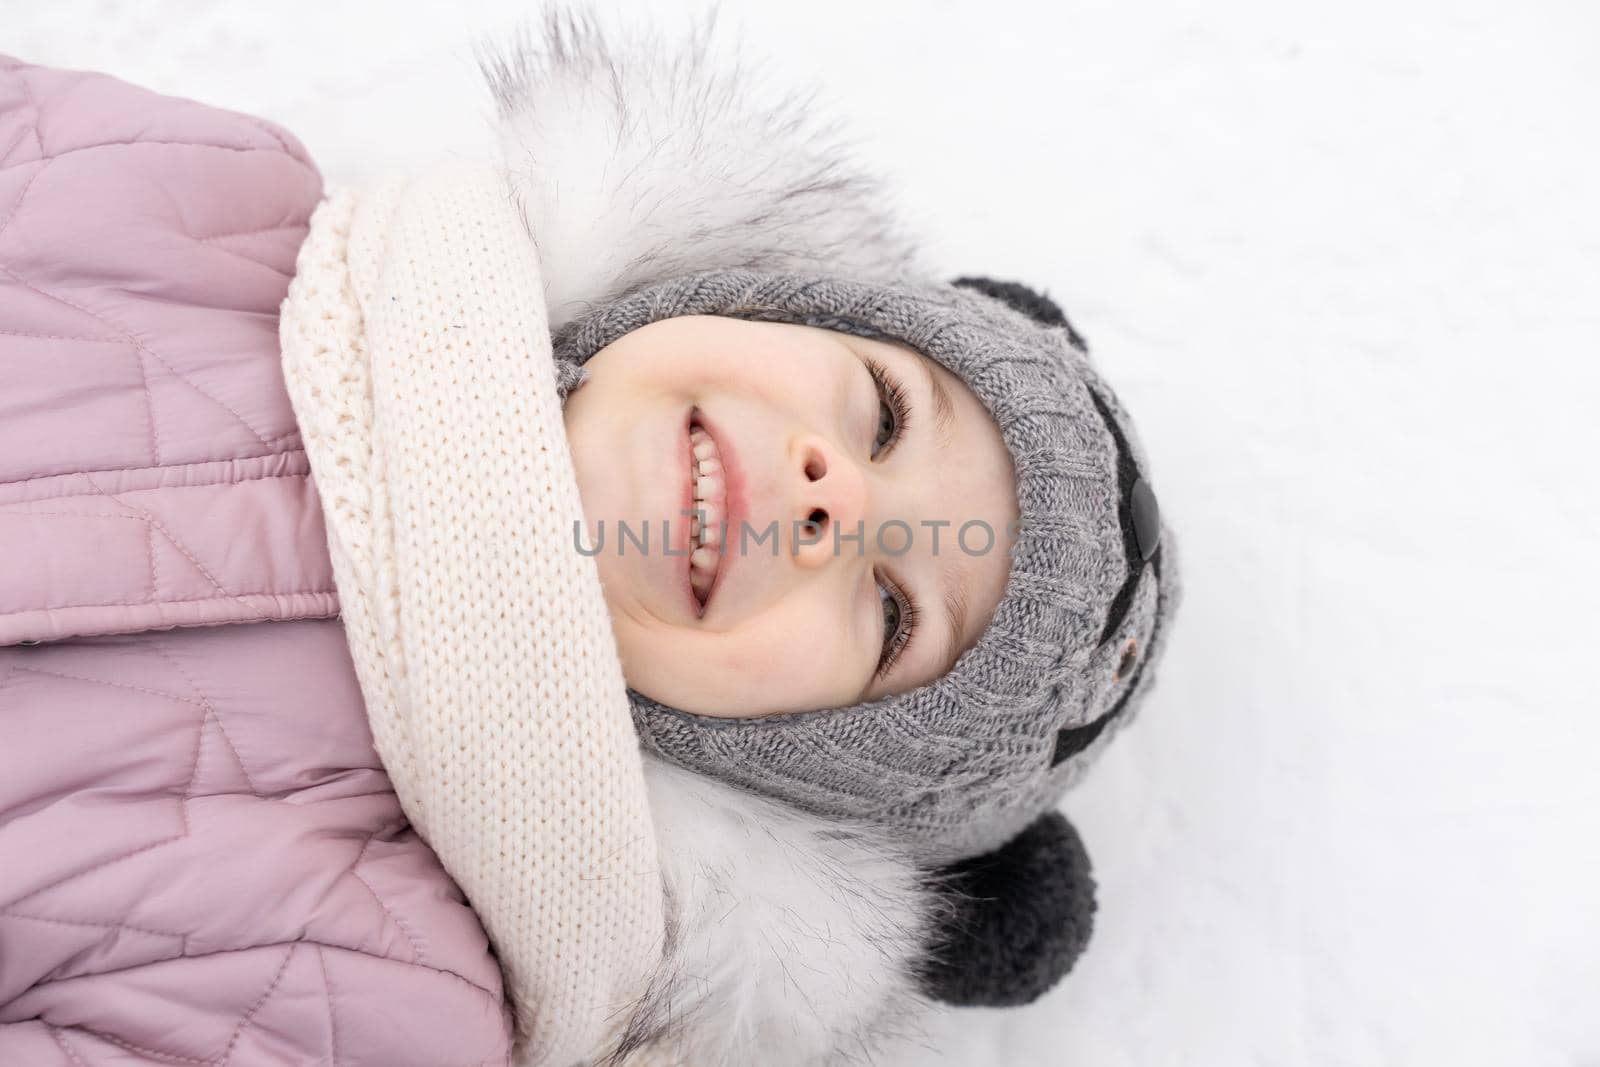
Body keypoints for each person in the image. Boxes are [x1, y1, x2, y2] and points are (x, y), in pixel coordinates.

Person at [0, 12, 1177, 1066]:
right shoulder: (195, 200)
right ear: (766, 303)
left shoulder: (383, 980)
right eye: (883, 412)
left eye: (892, 611)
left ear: (777, 759)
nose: (836, 498)